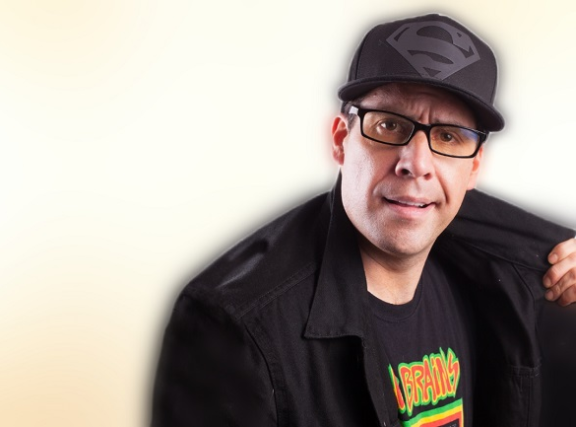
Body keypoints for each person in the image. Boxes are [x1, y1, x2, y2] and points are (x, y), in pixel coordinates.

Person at [151, 14, 576, 427]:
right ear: (341, 140)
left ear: (474, 167)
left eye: (448, 136)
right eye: (389, 125)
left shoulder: (511, 285)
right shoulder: (234, 326)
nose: (416, 164)